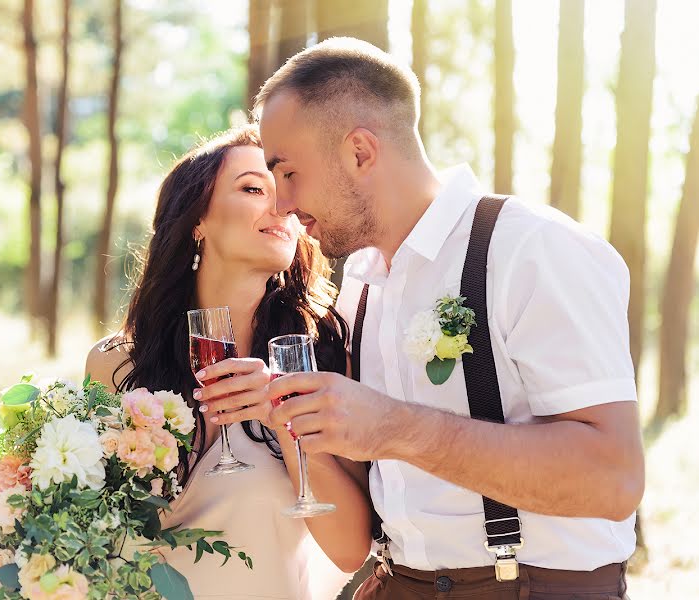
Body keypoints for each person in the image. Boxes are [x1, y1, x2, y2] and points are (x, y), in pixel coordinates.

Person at [258, 38, 643, 599]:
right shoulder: (359, 288)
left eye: (288, 172)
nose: (281, 204)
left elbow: (613, 478)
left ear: (361, 152)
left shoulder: (533, 249)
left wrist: (395, 426)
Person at [85, 124, 371, 600]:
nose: (281, 207)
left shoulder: (321, 358)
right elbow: (92, 533)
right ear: (197, 219)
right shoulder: (113, 365)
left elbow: (349, 551)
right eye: (254, 188)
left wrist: (282, 416)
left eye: (286, 193)